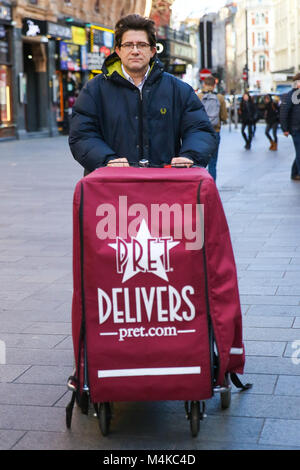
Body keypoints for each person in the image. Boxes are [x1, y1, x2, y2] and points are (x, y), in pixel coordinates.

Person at [69, 14, 217, 174]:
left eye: (141, 45)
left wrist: (190, 156)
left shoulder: (178, 90)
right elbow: (82, 135)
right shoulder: (94, 90)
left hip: (165, 187)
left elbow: (199, 129)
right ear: (118, 50)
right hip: (111, 186)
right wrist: (106, 159)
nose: (135, 51)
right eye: (128, 45)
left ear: (153, 50)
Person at [197, 75, 227, 181]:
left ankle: (200, 187)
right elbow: (224, 117)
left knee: (200, 164)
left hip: (201, 133)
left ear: (204, 84)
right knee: (213, 163)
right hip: (215, 132)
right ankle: (212, 188)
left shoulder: (198, 96)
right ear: (215, 85)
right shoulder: (220, 97)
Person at [280, 73, 300, 180]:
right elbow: (284, 112)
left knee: (299, 152)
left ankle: (294, 173)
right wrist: (285, 129)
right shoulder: (291, 95)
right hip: (296, 129)